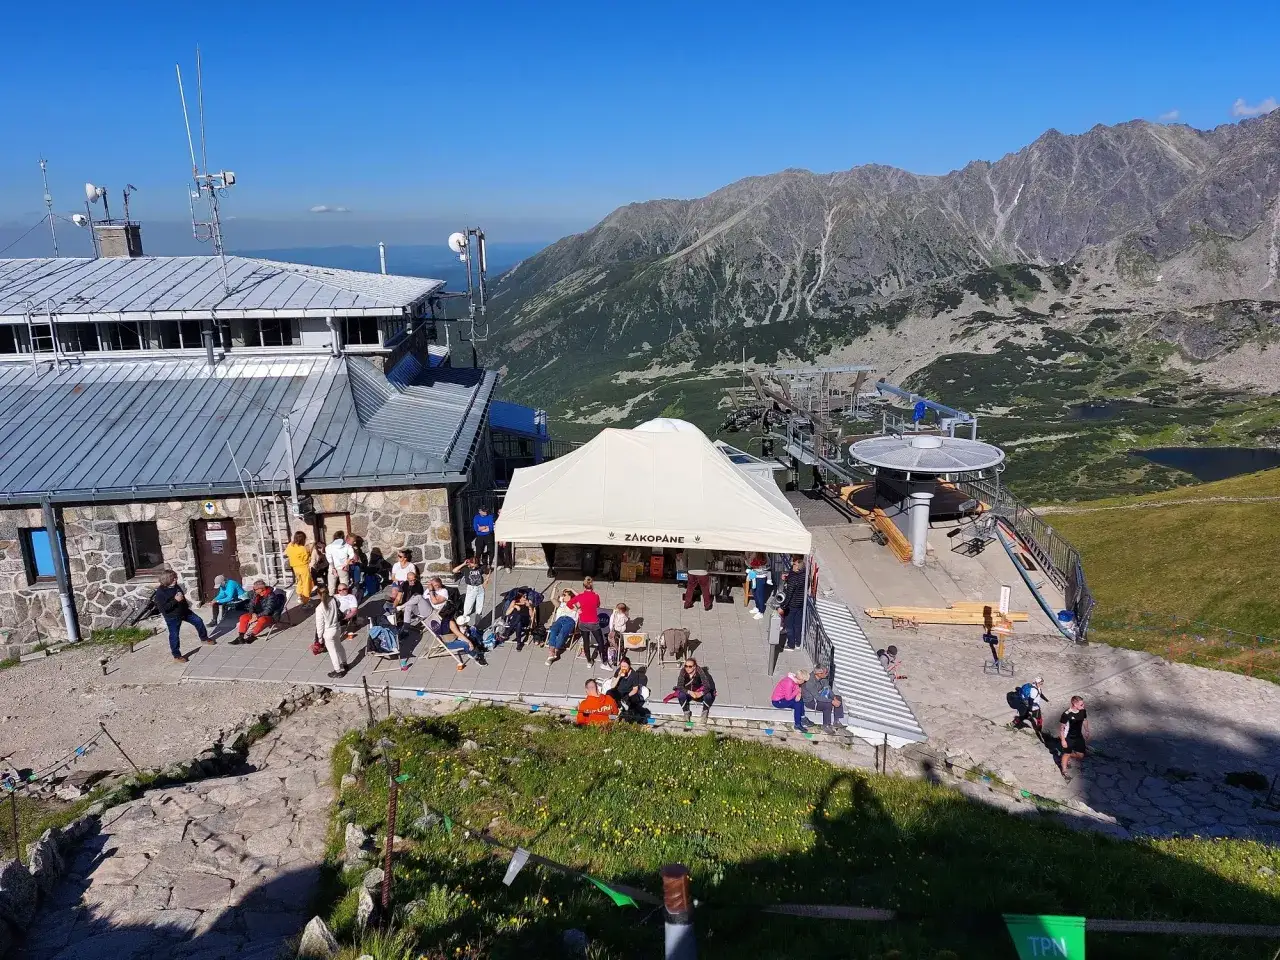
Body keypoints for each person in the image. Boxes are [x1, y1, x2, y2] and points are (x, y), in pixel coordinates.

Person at [153, 570, 212, 662]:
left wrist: (185, 605)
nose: (176, 579)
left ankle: (204, 638)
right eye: (173, 578)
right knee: (174, 635)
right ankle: (177, 656)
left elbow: (181, 598)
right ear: (167, 579)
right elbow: (164, 609)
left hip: (184, 612)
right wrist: (175, 600)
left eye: (175, 577)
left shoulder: (175, 586)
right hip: (172, 616)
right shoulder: (160, 593)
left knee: (198, 621)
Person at [313, 585, 348, 679]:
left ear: (319, 595)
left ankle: (338, 671)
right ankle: (345, 663)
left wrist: (320, 638)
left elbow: (320, 625)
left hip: (328, 632)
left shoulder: (319, 608)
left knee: (332, 652)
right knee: (339, 646)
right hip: (337, 628)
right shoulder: (333, 600)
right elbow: (339, 606)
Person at [233, 580, 284, 644]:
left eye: (255, 589)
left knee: (262, 620)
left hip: (270, 616)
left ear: (261, 589)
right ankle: (240, 637)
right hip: (257, 614)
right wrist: (252, 613)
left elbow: (268, 610)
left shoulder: (271, 596)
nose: (254, 590)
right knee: (243, 617)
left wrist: (257, 616)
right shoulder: (256, 594)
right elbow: (251, 605)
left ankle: (252, 636)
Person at [568, 577, 604, 664]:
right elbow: (598, 605)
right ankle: (604, 660)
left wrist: (577, 609)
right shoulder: (596, 596)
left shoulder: (580, 596)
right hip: (593, 622)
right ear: (592, 586)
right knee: (600, 641)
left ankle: (589, 661)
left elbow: (569, 604)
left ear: (584, 587)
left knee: (586, 642)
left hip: (583, 622)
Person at [801, 666, 843, 732]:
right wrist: (831, 701)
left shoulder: (823, 678)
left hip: (820, 695)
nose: (827, 674)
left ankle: (836, 721)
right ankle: (826, 725)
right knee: (827, 704)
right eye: (826, 673)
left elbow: (828, 688)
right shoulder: (810, 682)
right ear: (819, 674)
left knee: (838, 698)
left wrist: (834, 698)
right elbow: (818, 697)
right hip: (811, 701)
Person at [1058, 695, 1090, 778]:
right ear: (1075, 704)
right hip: (1068, 737)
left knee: (1081, 755)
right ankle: (1064, 771)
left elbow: (1085, 720)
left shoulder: (1082, 711)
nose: (1083, 706)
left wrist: (1086, 731)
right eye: (1081, 704)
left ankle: (1067, 755)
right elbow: (1062, 728)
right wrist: (1063, 740)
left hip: (1078, 736)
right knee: (1067, 753)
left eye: (1083, 704)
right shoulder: (1066, 714)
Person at [545, 589, 578, 665]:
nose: (563, 596)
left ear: (570, 596)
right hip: (560, 620)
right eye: (563, 595)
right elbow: (552, 599)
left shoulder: (575, 604)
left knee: (562, 634)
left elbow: (580, 598)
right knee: (553, 630)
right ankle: (552, 652)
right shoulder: (561, 604)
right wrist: (556, 590)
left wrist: (571, 590)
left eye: (565, 595)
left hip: (570, 621)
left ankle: (554, 652)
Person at [780, 556, 807, 649]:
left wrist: (783, 606)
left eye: (794, 564)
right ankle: (798, 643)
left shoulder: (794, 579)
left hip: (792, 604)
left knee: (789, 625)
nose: (792, 565)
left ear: (798, 567)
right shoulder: (805, 576)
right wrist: (787, 578)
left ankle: (791, 644)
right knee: (797, 624)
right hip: (801, 604)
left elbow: (789, 594)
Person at [452, 556, 489, 621]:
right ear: (469, 563)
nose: (474, 567)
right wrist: (463, 564)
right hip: (471, 588)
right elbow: (454, 570)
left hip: (480, 588)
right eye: (472, 565)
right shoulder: (466, 569)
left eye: (475, 565)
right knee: (468, 608)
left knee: (479, 608)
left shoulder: (481, 567)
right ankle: (464, 622)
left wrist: (486, 580)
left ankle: (477, 624)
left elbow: (488, 571)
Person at [284, 531, 314, 603]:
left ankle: (299, 596)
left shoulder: (290, 545)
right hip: (303, 567)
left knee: (299, 581)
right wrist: (311, 549)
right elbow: (307, 559)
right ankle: (305, 599)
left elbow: (287, 553)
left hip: (295, 568)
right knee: (306, 583)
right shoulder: (303, 548)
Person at [746, 553, 771, 620]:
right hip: (754, 576)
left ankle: (761, 612)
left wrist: (760, 568)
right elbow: (750, 564)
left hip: (761, 578)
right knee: (754, 593)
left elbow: (768, 567)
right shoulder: (754, 555)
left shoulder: (765, 556)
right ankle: (757, 607)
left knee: (760, 595)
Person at [607, 602, 629, 668]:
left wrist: (615, 618)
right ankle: (614, 651)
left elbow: (619, 624)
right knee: (612, 641)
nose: (616, 610)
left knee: (617, 643)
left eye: (617, 609)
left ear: (620, 610)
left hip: (619, 631)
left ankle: (617, 655)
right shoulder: (618, 614)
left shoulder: (623, 617)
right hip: (615, 630)